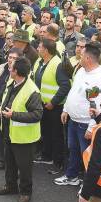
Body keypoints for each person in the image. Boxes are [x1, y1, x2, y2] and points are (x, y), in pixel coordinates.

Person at [55, 42, 101, 186]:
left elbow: (97, 104)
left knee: (87, 155)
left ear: (89, 59)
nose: (79, 56)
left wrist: (91, 127)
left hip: (85, 123)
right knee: (73, 149)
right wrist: (66, 109)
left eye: (82, 55)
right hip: (73, 120)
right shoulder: (80, 71)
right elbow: (73, 91)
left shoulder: (99, 79)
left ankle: (88, 184)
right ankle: (71, 176)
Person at [0, 57, 43, 202]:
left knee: (24, 167)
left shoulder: (32, 91)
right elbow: (6, 101)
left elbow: (37, 115)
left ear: (17, 72)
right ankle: (10, 185)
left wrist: (13, 115)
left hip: (25, 138)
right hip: (10, 132)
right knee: (9, 163)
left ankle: (25, 192)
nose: (9, 68)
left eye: (11, 68)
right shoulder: (12, 82)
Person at [33, 38, 71, 167]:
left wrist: (53, 102)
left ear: (46, 50)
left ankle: (57, 161)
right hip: (42, 105)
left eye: (39, 47)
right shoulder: (40, 62)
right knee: (46, 132)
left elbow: (65, 86)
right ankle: (46, 155)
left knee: (56, 135)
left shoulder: (57, 64)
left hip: (54, 107)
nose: (37, 49)